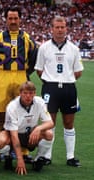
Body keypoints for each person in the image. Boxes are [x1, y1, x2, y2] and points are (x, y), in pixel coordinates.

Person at [0, 6, 38, 162]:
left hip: (21, 77)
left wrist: (24, 73)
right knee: (1, 116)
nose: (13, 21)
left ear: (20, 19)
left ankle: (23, 151)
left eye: (15, 18)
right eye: (10, 18)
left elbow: (33, 58)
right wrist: (1, 74)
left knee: (22, 115)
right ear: (6, 19)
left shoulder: (27, 38)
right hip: (3, 77)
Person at [34, 16, 84, 167]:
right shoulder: (44, 47)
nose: (60, 30)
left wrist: (65, 79)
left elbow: (78, 71)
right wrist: (52, 81)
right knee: (50, 122)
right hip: (50, 87)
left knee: (69, 122)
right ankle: (47, 156)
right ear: (52, 28)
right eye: (57, 27)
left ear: (66, 29)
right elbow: (39, 69)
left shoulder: (74, 49)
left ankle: (70, 157)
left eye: (62, 27)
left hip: (69, 88)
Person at [0, 81, 54, 175]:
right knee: (0, 141)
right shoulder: (12, 107)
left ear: (34, 93)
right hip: (13, 134)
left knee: (49, 134)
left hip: (30, 134)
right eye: (25, 93)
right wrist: (20, 159)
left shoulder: (40, 102)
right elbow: (14, 135)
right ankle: (7, 156)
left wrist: (38, 129)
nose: (28, 96)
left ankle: (39, 159)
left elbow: (50, 123)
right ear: (20, 93)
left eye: (31, 93)